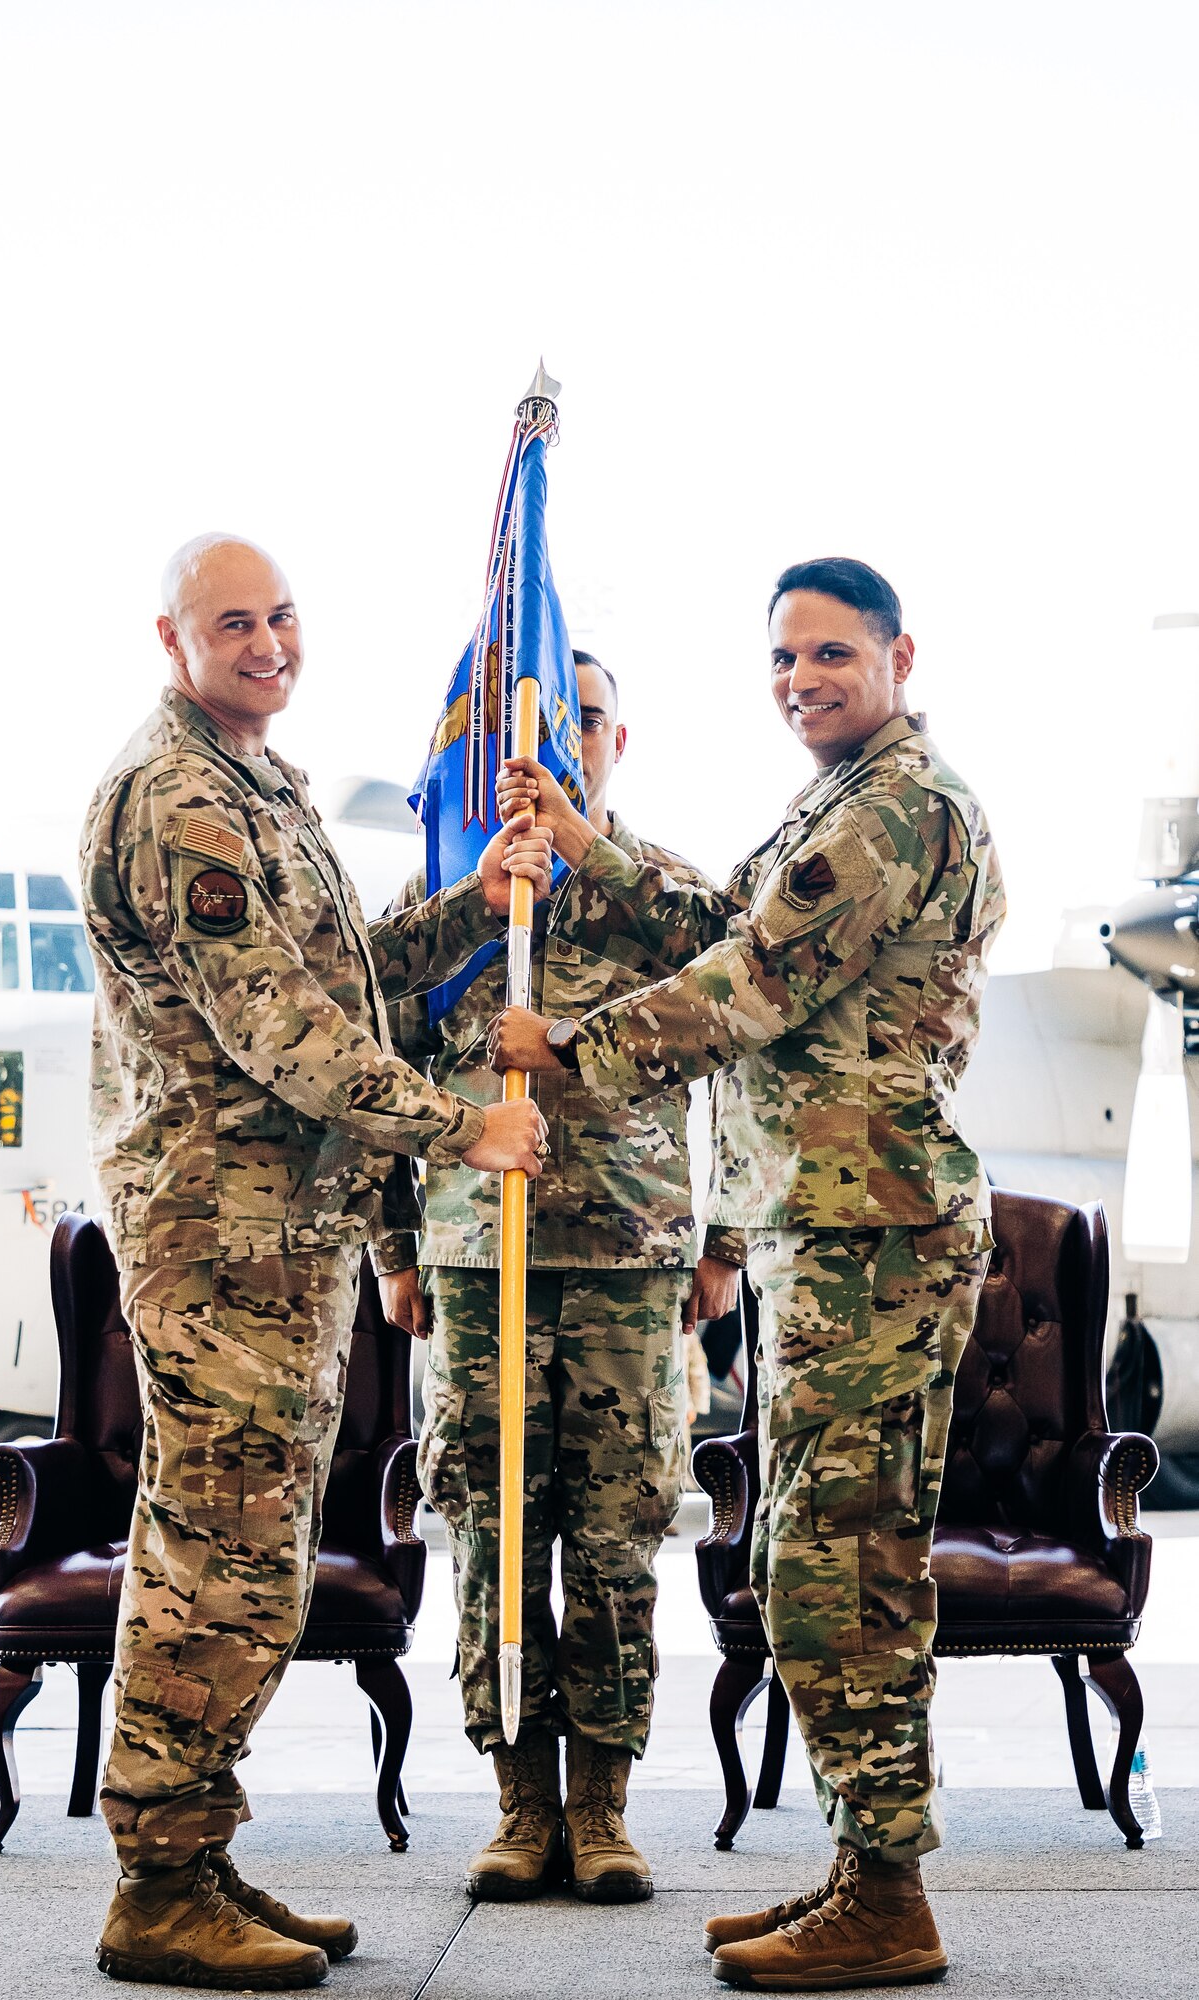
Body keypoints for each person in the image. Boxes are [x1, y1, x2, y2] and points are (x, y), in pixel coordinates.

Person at [489, 559, 1005, 1991]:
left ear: (901, 653)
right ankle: (859, 1871)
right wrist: (593, 855)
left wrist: (573, 1048)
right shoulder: (840, 801)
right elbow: (727, 916)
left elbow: (750, 981)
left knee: (844, 1564)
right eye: (783, 660)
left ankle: (888, 1896)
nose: (802, 681)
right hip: (829, 1236)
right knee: (815, 1551)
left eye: (831, 654)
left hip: (873, 1241)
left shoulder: (900, 806)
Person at [81, 533, 552, 1990]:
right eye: (236, 622)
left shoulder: (255, 784)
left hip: (280, 1239)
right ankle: (158, 1879)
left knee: (250, 1558)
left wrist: (475, 911)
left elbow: (341, 975)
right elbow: (277, 1030)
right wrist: (463, 1127)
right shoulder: (178, 803)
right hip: (223, 1238)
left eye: (283, 615)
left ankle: (198, 1853)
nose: (269, 642)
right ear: (173, 638)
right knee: (216, 1555)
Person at [379, 651, 745, 1905]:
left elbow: (752, 1011)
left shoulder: (661, 895)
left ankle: (603, 1804)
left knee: (617, 1536)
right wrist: (395, 1246)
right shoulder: (451, 889)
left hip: (631, 1267)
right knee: (492, 1533)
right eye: (516, 718)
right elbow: (380, 1066)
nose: (542, 741)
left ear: (615, 737)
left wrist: (727, 1242)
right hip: (480, 1260)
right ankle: (519, 1799)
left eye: (572, 718)